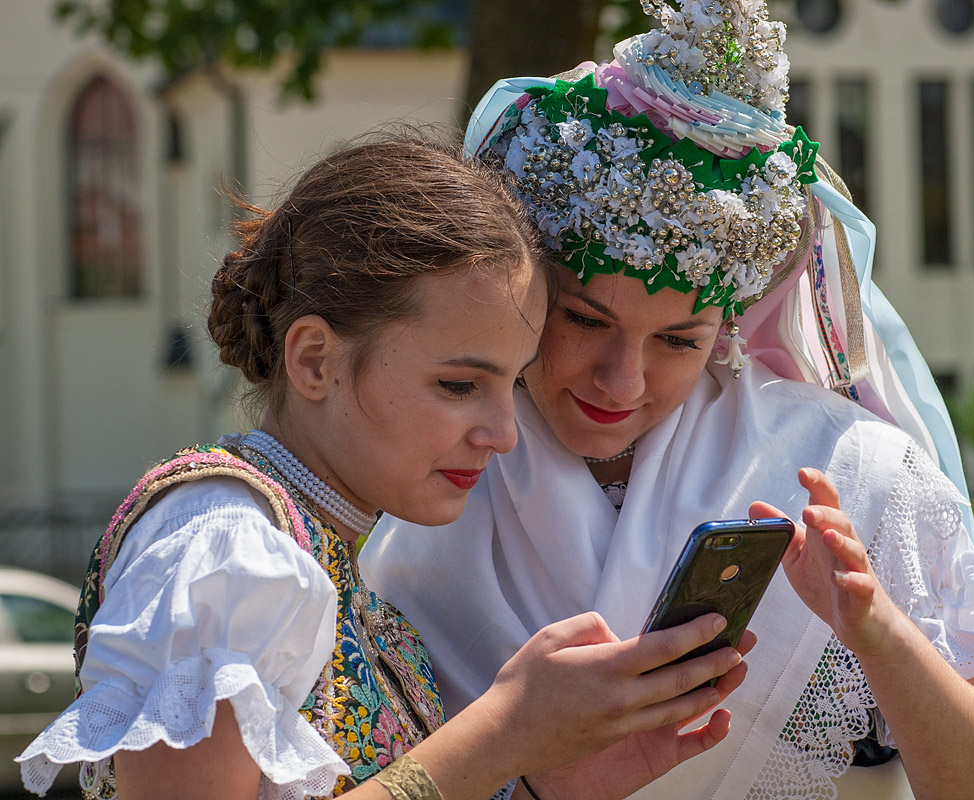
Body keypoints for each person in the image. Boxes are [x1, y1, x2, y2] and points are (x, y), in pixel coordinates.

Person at [360, 3, 974, 799]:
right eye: (586, 321)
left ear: (730, 328)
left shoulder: (858, 476)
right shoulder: (429, 492)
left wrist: (879, 633)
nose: (622, 381)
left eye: (678, 341)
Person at [16, 132, 750, 800]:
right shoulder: (227, 544)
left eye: (512, 383)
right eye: (459, 385)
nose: (503, 434)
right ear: (315, 360)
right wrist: (501, 733)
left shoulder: (329, 555)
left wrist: (541, 788)